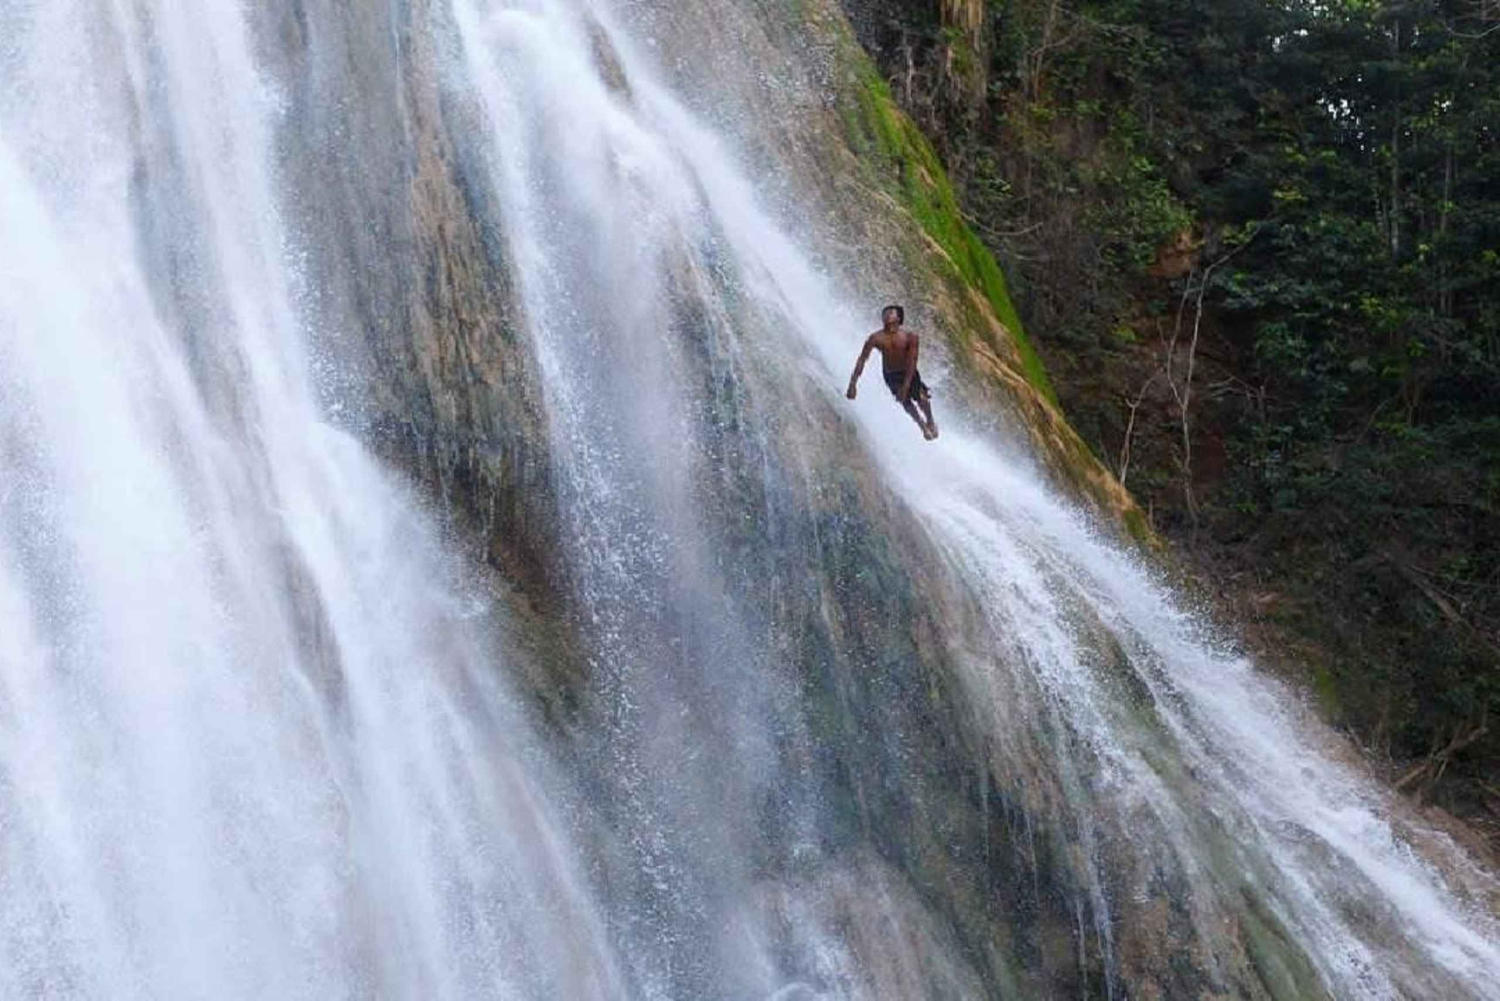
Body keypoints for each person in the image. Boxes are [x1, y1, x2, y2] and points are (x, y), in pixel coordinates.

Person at [845, 304, 938, 440]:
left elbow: (912, 360)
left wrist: (906, 385)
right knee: (905, 402)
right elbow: (862, 360)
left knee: (921, 398)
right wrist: (852, 384)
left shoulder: (909, 337)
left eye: (891, 313)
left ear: (899, 318)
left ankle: (930, 420)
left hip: (909, 372)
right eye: (885, 313)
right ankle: (922, 426)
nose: (887, 315)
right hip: (891, 375)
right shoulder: (875, 338)